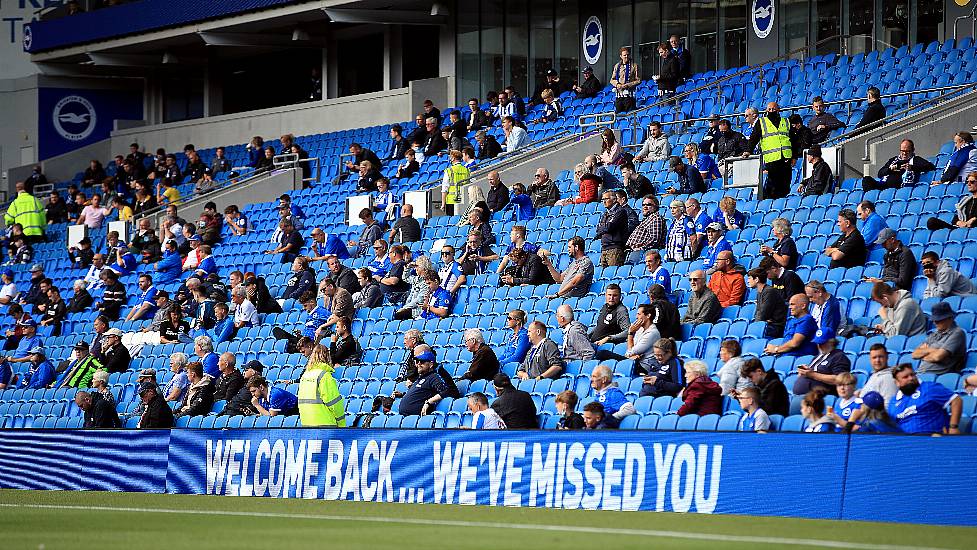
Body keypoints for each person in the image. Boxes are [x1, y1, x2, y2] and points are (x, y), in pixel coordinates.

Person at [889, 365, 962, 435]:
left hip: (932, 436)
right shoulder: (893, 402)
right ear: (897, 383)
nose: (911, 378)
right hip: (906, 441)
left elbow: (956, 399)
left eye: (912, 375)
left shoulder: (929, 388)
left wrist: (953, 427)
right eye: (905, 377)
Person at [742, 102, 794, 199]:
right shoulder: (761, 122)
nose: (771, 111)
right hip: (772, 159)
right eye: (769, 109)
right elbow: (754, 138)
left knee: (786, 184)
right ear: (766, 110)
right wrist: (748, 150)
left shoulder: (786, 121)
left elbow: (793, 140)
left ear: (778, 110)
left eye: (774, 109)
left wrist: (794, 156)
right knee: (773, 186)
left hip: (786, 158)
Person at [911, 302, 967, 375]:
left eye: (938, 320)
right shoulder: (934, 334)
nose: (935, 323)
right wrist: (933, 350)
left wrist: (924, 353)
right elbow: (914, 354)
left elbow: (937, 357)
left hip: (937, 377)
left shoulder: (957, 333)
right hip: (920, 374)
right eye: (934, 320)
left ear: (950, 318)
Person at [298, 344, 346, 427]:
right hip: (325, 425)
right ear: (327, 357)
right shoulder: (324, 376)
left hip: (307, 424)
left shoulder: (305, 376)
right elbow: (334, 403)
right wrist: (342, 424)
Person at [863, 139, 936, 190]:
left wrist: (912, 167)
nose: (904, 153)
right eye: (902, 151)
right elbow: (880, 173)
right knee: (866, 179)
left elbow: (930, 167)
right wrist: (890, 169)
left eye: (907, 151)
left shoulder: (915, 159)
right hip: (883, 184)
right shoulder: (893, 160)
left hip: (899, 187)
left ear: (913, 150)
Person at [399, 349, 453, 416]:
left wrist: (429, 402)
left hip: (417, 419)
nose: (418, 364)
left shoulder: (433, 377)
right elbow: (419, 394)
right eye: (417, 361)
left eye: (422, 361)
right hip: (405, 418)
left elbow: (446, 391)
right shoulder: (421, 377)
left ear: (431, 364)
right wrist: (402, 394)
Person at [587, 284, 630, 351]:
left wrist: (609, 338)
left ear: (620, 296)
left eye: (615, 295)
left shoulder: (621, 310)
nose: (611, 298)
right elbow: (600, 326)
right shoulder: (604, 307)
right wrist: (588, 335)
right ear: (605, 295)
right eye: (609, 295)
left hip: (604, 348)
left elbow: (628, 331)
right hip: (593, 344)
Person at [747, 267, 787, 338]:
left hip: (776, 326)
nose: (748, 281)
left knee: (752, 331)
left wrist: (762, 321)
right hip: (768, 324)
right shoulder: (760, 292)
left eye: (749, 278)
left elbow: (763, 314)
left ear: (756, 279)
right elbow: (759, 312)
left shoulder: (769, 291)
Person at [594, 191, 628, 267]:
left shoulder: (620, 211)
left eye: (606, 199)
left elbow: (608, 227)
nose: (604, 201)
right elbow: (598, 230)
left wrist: (603, 227)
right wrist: (604, 227)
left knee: (613, 272)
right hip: (604, 248)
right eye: (602, 200)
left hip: (615, 249)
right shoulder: (605, 214)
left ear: (614, 200)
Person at [610, 47, 640, 112]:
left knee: (630, 114)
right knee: (619, 115)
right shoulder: (617, 66)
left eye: (627, 55)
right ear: (621, 56)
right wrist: (617, 84)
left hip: (629, 96)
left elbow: (638, 80)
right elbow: (612, 80)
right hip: (619, 96)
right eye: (624, 55)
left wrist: (628, 85)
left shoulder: (634, 66)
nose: (626, 56)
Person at [440, 149, 470, 216]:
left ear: (453, 158)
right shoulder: (466, 170)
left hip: (452, 200)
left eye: (450, 157)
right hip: (464, 199)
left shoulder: (449, 170)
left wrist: (443, 204)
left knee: (451, 221)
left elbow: (445, 188)